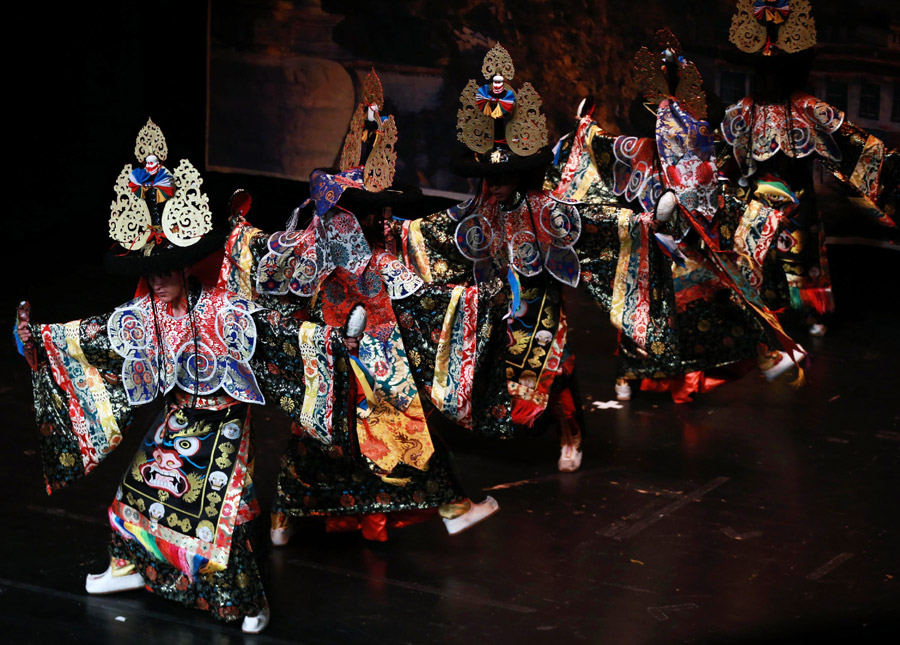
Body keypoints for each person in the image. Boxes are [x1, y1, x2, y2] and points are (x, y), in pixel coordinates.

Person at [14, 120, 287, 633]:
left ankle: (247, 602)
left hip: (225, 422)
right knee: (133, 494)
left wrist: (338, 339)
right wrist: (41, 338)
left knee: (215, 522)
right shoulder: (149, 313)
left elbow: (276, 331)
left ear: (185, 270)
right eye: (151, 274)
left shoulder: (225, 308)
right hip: (180, 416)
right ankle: (127, 565)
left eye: (166, 274)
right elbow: (96, 335)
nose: (157, 283)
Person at [220, 72, 504, 544]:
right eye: (380, 211)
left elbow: (263, 252)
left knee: (313, 435)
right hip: (371, 358)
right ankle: (452, 506)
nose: (386, 218)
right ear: (369, 214)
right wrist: (476, 300)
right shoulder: (377, 259)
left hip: (324, 356)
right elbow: (423, 297)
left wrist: (240, 230)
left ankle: (282, 519)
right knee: (403, 432)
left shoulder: (313, 239)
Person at [720, 0, 899, 336]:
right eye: (760, 71)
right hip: (755, 200)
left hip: (797, 200)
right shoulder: (742, 111)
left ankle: (808, 312)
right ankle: (754, 309)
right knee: (752, 256)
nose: (766, 77)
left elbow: (854, 145)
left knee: (797, 259)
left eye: (773, 71)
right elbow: (722, 154)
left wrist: (887, 166)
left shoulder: (808, 108)